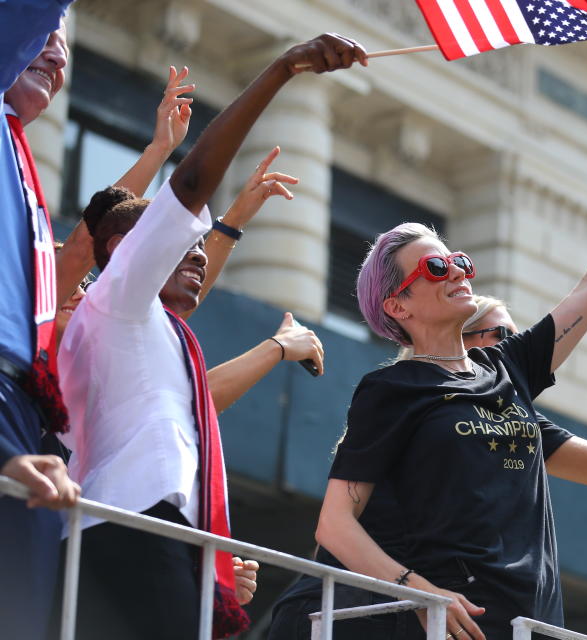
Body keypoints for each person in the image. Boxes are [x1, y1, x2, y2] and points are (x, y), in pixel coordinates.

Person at [314, 134, 587, 640]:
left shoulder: (506, 367)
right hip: (454, 623)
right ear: (398, 307)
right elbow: (334, 525)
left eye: (460, 261)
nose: (459, 272)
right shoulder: (392, 387)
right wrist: (418, 592)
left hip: (532, 623)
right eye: (436, 267)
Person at [56, 33, 366, 639]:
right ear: (126, 255)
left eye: (204, 247)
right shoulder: (114, 302)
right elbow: (192, 183)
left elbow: (196, 391)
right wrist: (281, 70)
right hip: (128, 525)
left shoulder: (155, 330)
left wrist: (210, 557)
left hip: (156, 529)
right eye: (183, 246)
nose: (199, 255)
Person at [267, 294, 587, 639]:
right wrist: (419, 591)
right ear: (458, 339)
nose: (512, 352)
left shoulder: (508, 421)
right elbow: (337, 528)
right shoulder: (407, 398)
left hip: (427, 615)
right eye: (504, 338)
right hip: (354, 616)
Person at [0, 6, 79, 639]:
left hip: (21, 413)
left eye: (66, 44)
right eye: (42, 35)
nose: (56, 54)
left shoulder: (18, 156)